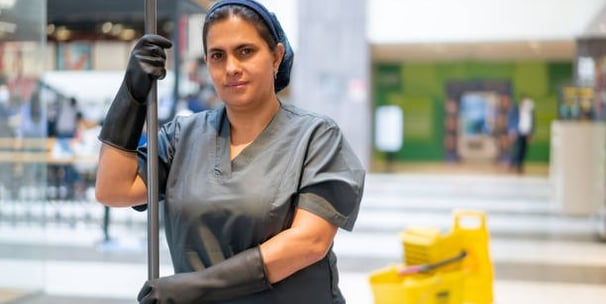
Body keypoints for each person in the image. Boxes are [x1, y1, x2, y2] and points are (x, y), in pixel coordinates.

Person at [95, 0, 366, 303]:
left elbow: (310, 241)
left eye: (245, 51)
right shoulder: (180, 138)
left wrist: (196, 286)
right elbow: (113, 189)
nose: (231, 68)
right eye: (217, 56)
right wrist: (131, 94)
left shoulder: (316, 137)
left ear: (276, 56)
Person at [509, 96, 535, 174]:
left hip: (526, 133)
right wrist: (512, 131)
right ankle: (515, 164)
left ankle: (520, 165)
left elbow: (533, 123)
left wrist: (531, 133)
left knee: (524, 150)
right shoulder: (516, 109)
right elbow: (511, 120)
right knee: (518, 149)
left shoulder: (530, 111)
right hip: (518, 132)